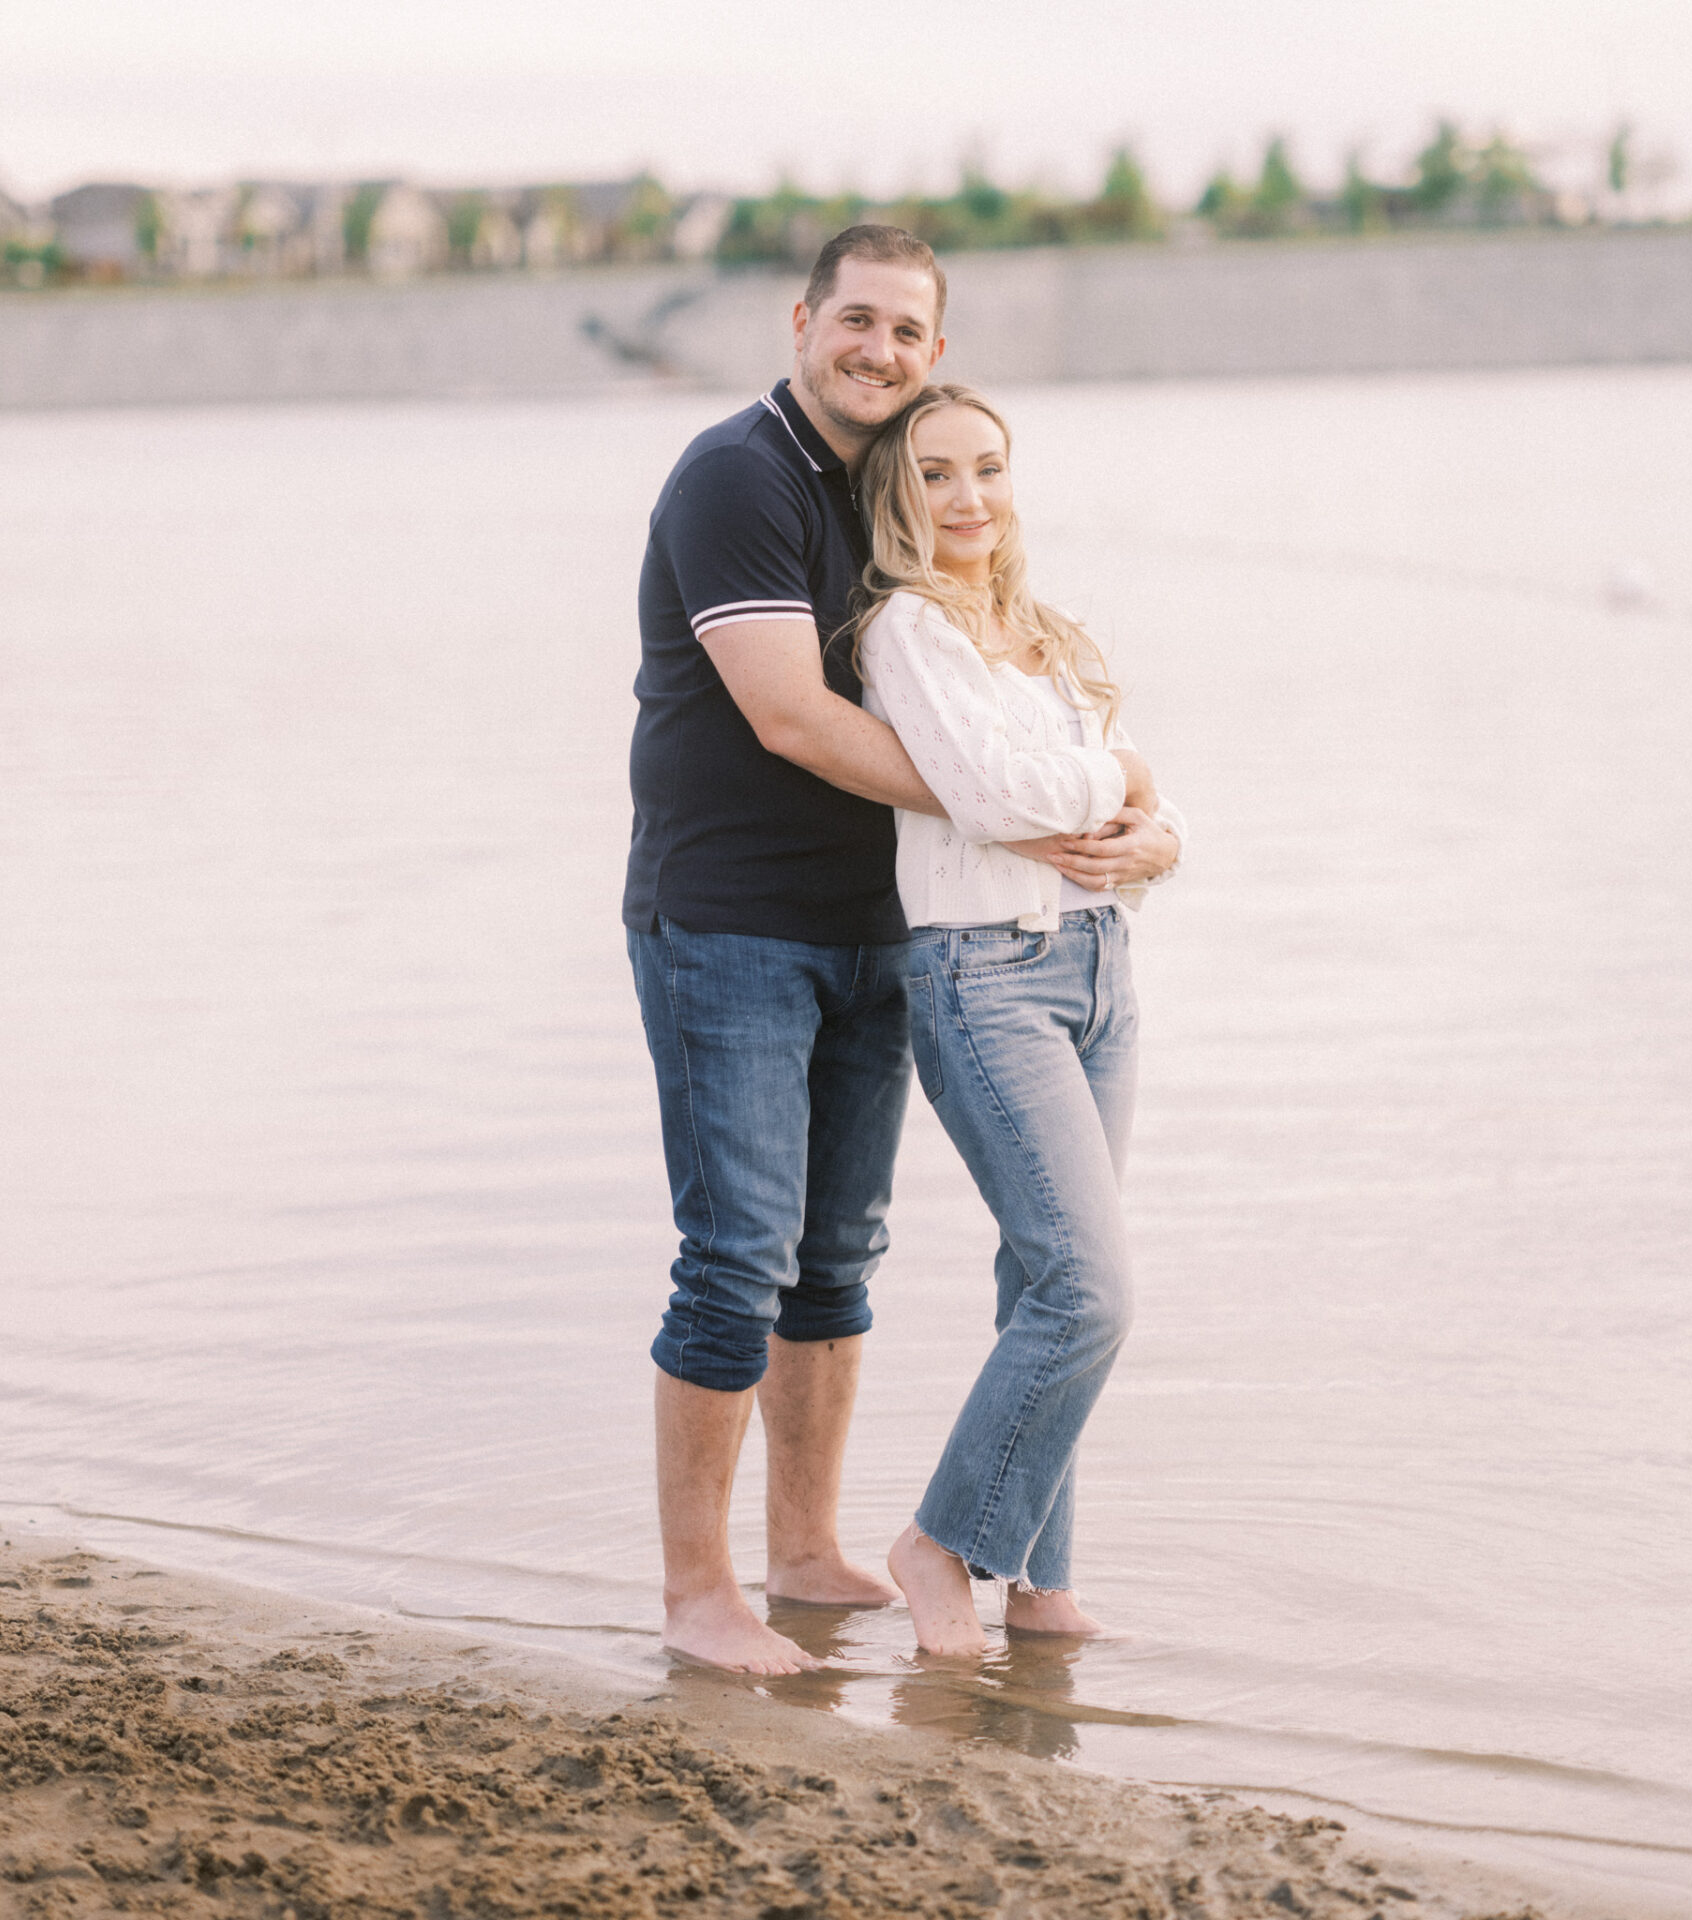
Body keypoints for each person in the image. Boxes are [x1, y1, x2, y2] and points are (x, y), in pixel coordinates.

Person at [624, 226, 950, 1675]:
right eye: (857, 321)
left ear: (935, 356)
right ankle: (701, 1599)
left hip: (874, 922)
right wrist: (1009, 807)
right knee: (734, 1258)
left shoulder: (900, 478)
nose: (878, 351)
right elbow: (790, 716)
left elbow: (981, 669)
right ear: (803, 318)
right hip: (728, 922)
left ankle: (806, 1554)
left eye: (907, 334)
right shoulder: (734, 474)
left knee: (836, 1259)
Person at [852, 383, 1186, 1657]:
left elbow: (1150, 814)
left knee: (1039, 1279)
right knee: (1090, 1290)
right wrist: (1128, 782)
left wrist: (1156, 823)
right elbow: (992, 794)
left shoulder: (1041, 633)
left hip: (1103, 971)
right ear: (897, 494)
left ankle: (1038, 1581)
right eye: (935, 474)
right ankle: (940, 1545)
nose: (967, 498)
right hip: (984, 976)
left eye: (987, 469)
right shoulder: (907, 633)